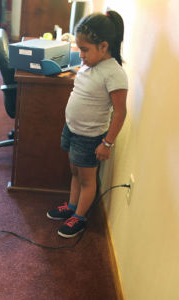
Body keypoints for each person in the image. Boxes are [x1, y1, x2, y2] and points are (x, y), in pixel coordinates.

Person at [46, 10, 128, 238]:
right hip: (72, 129)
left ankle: (79, 217)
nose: (80, 54)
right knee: (74, 170)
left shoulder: (114, 73)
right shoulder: (90, 64)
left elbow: (120, 113)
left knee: (87, 179)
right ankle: (72, 207)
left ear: (103, 47)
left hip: (90, 137)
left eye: (84, 50)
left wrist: (107, 144)